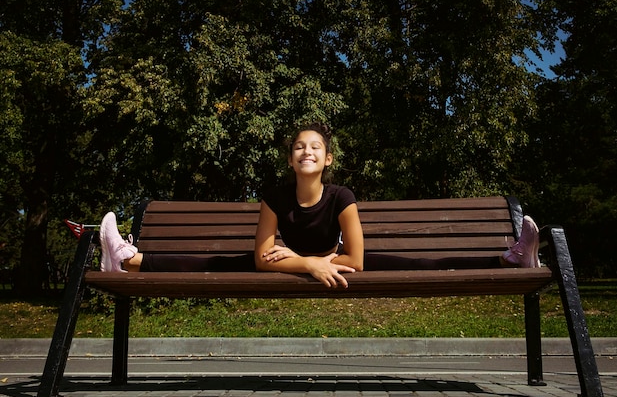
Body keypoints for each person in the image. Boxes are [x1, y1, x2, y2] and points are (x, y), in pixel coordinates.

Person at [99, 122, 540, 288]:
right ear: (291, 159)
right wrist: (309, 264)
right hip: (305, 260)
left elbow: (358, 260)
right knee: (217, 259)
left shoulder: (341, 197)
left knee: (421, 260)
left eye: (315, 147)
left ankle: (509, 257)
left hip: (336, 261)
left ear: (327, 159)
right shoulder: (274, 197)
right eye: (297, 146)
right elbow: (260, 258)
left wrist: (304, 258)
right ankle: (127, 257)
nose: (305, 151)